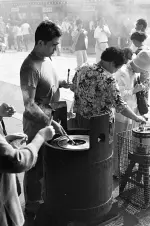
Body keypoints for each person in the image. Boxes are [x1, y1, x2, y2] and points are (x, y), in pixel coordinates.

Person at [20, 20, 69, 220]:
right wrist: (50, 123)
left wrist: (65, 84)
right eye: (53, 45)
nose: (56, 50)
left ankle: (43, 199)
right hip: (36, 125)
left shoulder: (47, 59)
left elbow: (50, 83)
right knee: (34, 164)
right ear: (40, 43)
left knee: (48, 162)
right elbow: (29, 105)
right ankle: (32, 207)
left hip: (50, 117)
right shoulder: (29, 67)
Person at [70, 47, 146, 140]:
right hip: (100, 123)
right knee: (100, 151)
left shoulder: (83, 67)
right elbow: (120, 105)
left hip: (81, 118)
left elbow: (73, 87)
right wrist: (136, 117)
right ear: (112, 63)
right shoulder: (108, 79)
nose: (116, 71)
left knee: (82, 145)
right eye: (117, 68)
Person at [113, 50, 150, 177]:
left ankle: (124, 168)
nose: (144, 72)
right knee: (118, 143)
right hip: (121, 114)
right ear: (139, 66)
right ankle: (116, 171)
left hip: (132, 112)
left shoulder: (135, 73)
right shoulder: (122, 72)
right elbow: (118, 96)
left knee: (128, 142)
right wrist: (134, 90)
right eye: (144, 69)